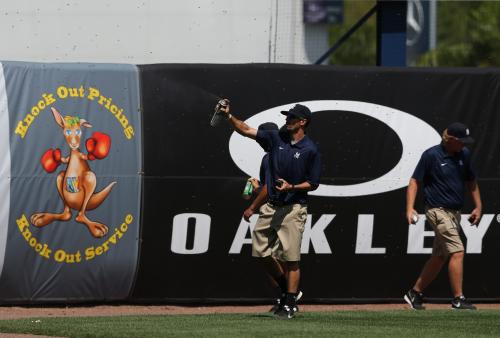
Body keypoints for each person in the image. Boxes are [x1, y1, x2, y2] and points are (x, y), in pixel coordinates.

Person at [221, 101, 321, 319]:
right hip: (272, 207)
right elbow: (245, 129)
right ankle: (287, 291)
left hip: (294, 207)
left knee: (291, 258)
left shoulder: (310, 149)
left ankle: (289, 303)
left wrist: (291, 187)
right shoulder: (276, 139)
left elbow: (313, 183)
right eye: (286, 117)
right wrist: (229, 116)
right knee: (260, 251)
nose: (286, 121)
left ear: (303, 122)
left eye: (291, 118)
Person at [404, 122, 482, 310]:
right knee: (457, 251)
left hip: (455, 213)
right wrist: (410, 208)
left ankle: (414, 293)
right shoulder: (431, 155)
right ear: (451, 139)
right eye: (461, 141)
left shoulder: (464, 154)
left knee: (440, 256)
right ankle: (458, 299)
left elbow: (471, 182)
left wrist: (479, 206)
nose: (464, 145)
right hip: (437, 210)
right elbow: (415, 181)